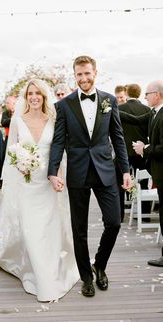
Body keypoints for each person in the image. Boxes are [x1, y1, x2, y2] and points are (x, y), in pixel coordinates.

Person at [0, 79, 79, 302]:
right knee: (31, 230)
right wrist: (18, 167)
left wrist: (59, 176)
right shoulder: (17, 119)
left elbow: (60, 150)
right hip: (26, 183)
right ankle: (38, 276)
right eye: (30, 93)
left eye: (38, 94)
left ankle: (50, 274)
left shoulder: (53, 118)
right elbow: (11, 152)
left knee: (49, 229)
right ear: (26, 97)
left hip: (49, 182)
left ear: (44, 97)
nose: (34, 97)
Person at [48, 55, 131, 297]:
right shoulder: (63, 106)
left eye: (87, 73)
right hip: (78, 172)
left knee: (114, 222)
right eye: (79, 74)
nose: (83, 78)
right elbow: (58, 142)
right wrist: (53, 171)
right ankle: (86, 277)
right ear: (74, 76)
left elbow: (118, 137)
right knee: (79, 228)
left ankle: (100, 266)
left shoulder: (109, 100)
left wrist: (125, 170)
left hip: (106, 170)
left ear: (95, 72)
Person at [120, 80, 163, 267]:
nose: (145, 97)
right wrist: (113, 110)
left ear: (157, 94)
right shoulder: (153, 113)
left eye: (147, 93)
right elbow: (135, 120)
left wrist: (144, 148)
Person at [118, 84, 151, 221]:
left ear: (126, 93)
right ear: (139, 93)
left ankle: (119, 214)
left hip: (124, 150)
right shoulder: (147, 110)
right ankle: (145, 215)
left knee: (121, 181)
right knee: (142, 182)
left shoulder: (119, 109)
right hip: (140, 150)